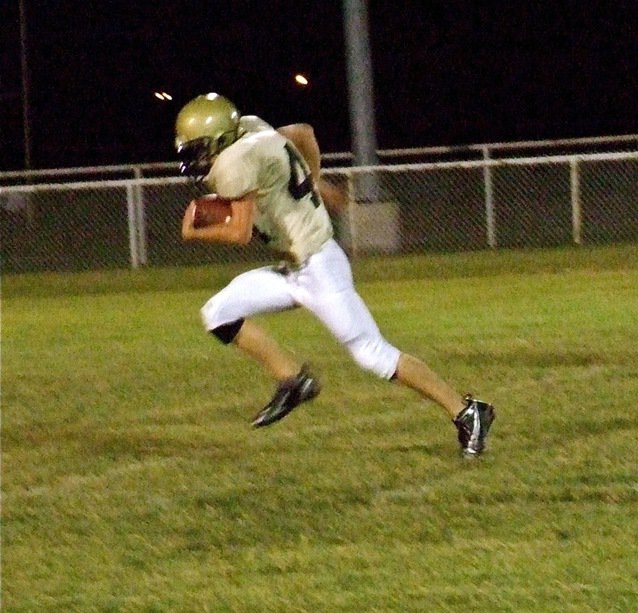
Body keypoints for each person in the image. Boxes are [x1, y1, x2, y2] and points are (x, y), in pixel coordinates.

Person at [174, 92, 495, 457]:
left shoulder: (234, 163)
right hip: (293, 268)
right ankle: (294, 380)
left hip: (319, 268)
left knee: (373, 354)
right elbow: (302, 132)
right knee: (218, 312)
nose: (197, 159)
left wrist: (194, 231)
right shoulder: (250, 129)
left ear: (219, 139)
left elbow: (240, 232)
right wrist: (312, 180)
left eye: (199, 149)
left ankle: (468, 411)